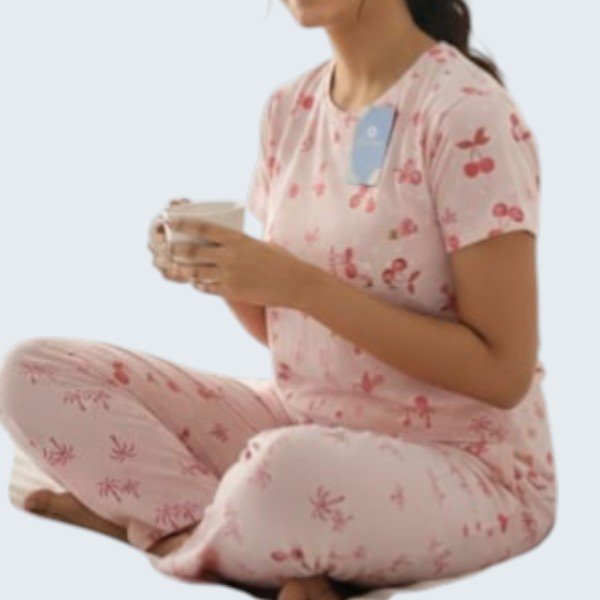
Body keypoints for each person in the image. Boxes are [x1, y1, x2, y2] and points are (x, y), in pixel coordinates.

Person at [0, 1, 557, 599]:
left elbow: (504, 374)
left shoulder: (466, 114)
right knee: (32, 372)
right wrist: (219, 268)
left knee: (280, 474)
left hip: (466, 464)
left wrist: (299, 284)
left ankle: (149, 524)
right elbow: (291, 334)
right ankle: (237, 543)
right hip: (305, 422)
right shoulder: (290, 109)